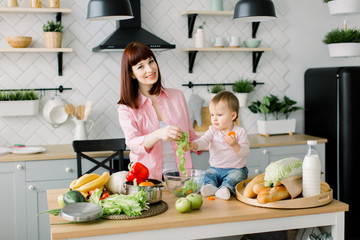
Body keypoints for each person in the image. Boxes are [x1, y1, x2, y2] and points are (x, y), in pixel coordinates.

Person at [117, 42, 200, 180]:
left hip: (181, 177)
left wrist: (215, 138)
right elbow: (133, 144)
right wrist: (159, 134)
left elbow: (190, 135)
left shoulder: (177, 96)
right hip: (148, 179)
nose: (150, 69)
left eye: (151, 61)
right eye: (141, 66)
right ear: (132, 74)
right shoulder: (126, 108)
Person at [189, 91, 249, 200]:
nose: (214, 118)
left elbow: (245, 152)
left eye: (219, 115)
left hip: (235, 169)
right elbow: (204, 140)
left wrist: (235, 145)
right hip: (215, 169)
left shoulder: (240, 132)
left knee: (237, 177)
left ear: (233, 115)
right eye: (212, 114)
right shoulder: (213, 130)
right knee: (206, 175)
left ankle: (225, 189)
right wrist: (194, 144)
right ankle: (210, 187)